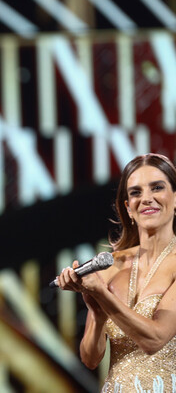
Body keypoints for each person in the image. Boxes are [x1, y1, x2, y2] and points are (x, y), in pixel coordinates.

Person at [55, 153, 176, 392]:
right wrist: (97, 314)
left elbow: (155, 340)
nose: (147, 199)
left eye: (157, 188)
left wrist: (102, 294)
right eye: (136, 192)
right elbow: (90, 358)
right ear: (128, 208)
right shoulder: (109, 265)